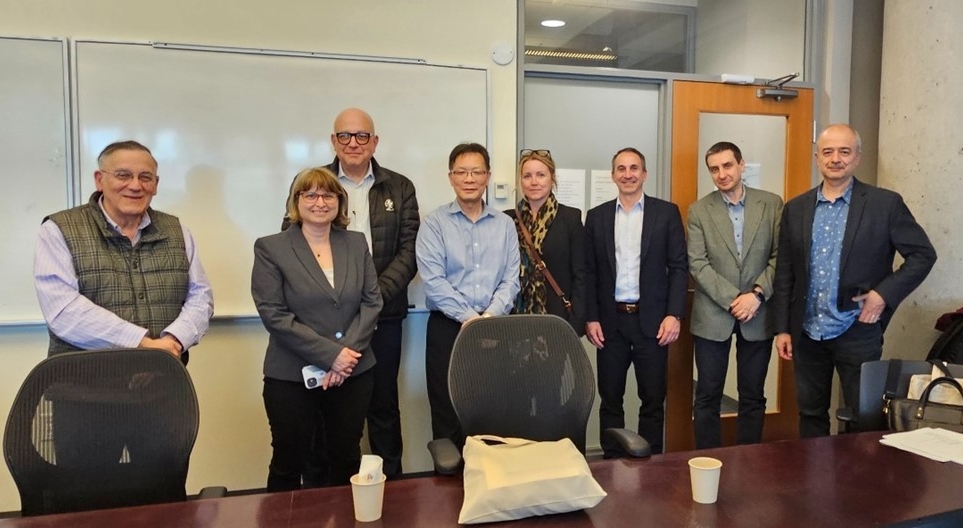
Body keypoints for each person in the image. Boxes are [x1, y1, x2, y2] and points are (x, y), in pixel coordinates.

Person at [33, 139, 214, 464]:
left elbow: (200, 297)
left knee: (163, 498)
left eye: (145, 177)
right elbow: (64, 311)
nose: (135, 185)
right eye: (123, 175)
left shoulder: (177, 231)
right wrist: (143, 344)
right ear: (100, 179)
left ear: (156, 185)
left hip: (162, 395)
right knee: (88, 502)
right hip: (84, 400)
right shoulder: (59, 229)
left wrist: (173, 342)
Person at [772, 124, 937, 438]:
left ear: (857, 157)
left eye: (844, 152)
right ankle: (815, 481)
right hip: (806, 332)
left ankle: (855, 484)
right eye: (828, 152)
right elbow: (785, 272)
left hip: (858, 328)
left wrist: (883, 294)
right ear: (817, 158)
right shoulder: (796, 208)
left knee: (863, 418)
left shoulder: (884, 204)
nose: (836, 159)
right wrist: (782, 327)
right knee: (810, 415)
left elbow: (922, 255)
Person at [281, 108, 419, 478]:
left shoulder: (400, 187)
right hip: (324, 323)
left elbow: (409, 252)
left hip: (384, 316)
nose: (353, 143)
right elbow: (291, 248)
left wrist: (371, 300)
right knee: (327, 408)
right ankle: (327, 493)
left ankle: (391, 489)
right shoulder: (313, 185)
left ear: (374, 142)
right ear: (333, 140)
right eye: (345, 136)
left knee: (383, 405)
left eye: (362, 136)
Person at [253, 167, 382, 490]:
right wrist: (331, 355)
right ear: (296, 202)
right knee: (288, 461)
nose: (320, 202)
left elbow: (372, 303)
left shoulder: (355, 243)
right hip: (292, 377)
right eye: (309, 194)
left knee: (345, 458)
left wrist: (345, 357)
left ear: (339, 201)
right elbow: (274, 314)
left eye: (328, 194)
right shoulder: (272, 248)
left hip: (354, 373)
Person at [415, 142, 520, 447]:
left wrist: (488, 317)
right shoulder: (434, 224)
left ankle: (491, 488)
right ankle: (448, 490)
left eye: (476, 171)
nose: (469, 178)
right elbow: (433, 280)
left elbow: (511, 279)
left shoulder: (505, 224)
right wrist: (470, 318)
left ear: (488, 176)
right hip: (448, 329)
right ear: (451, 177)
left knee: (493, 413)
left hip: (495, 327)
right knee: (447, 413)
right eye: (462, 172)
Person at [584, 147, 687, 456]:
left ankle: (652, 463)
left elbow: (679, 267)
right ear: (613, 175)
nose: (627, 174)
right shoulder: (597, 216)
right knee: (610, 400)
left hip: (653, 322)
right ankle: (612, 461)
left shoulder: (666, 213)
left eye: (634, 168)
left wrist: (674, 314)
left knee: (653, 400)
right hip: (611, 323)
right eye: (621, 168)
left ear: (645, 174)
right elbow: (589, 272)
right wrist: (590, 317)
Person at [687, 141, 783, 449]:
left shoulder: (771, 204)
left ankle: (748, 460)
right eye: (714, 169)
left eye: (727, 166)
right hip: (713, 316)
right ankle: (708, 462)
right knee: (707, 395)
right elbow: (698, 264)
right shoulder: (699, 210)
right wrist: (733, 299)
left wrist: (756, 295)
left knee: (752, 395)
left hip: (758, 313)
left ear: (741, 166)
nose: (722, 174)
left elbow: (781, 257)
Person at [505, 149, 585, 335]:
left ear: (552, 178)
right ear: (521, 181)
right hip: (514, 317)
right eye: (527, 176)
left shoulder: (570, 218)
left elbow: (581, 274)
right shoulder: (508, 220)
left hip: (557, 319)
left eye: (541, 175)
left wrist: (576, 320)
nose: (534, 182)